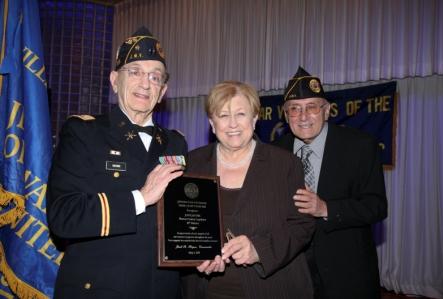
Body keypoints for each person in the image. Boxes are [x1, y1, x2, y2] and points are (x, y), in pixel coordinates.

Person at [47, 27, 187, 299]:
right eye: (134, 72)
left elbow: (180, 218)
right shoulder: (83, 133)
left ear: (163, 91)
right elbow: (63, 217)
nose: (145, 83)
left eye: (154, 77)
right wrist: (141, 197)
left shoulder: (175, 143)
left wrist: (202, 251)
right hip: (101, 289)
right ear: (114, 80)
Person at [181, 80, 315, 299]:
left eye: (241, 114)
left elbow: (302, 226)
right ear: (212, 124)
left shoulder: (285, 165)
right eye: (223, 115)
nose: (232, 124)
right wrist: (193, 256)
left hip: (273, 288)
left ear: (254, 119)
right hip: (205, 290)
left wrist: (259, 250)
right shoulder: (191, 163)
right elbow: (180, 226)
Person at [273, 66, 388, 299]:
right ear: (286, 116)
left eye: (311, 107)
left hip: (346, 272)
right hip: (291, 272)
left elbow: (376, 206)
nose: (303, 116)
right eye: (294, 109)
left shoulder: (360, 146)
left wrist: (325, 208)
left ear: (326, 111)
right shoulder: (275, 152)